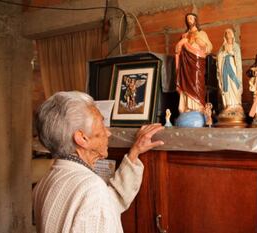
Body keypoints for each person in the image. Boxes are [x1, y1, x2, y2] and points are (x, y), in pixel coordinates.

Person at [33, 91, 164, 233]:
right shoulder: (92, 189)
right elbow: (97, 200)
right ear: (82, 138)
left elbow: (109, 202)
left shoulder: (45, 182)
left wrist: (134, 153)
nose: (108, 133)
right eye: (102, 124)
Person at [175, 13, 212, 113]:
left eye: (191, 18)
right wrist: (181, 42)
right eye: (187, 19)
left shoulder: (202, 33)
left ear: (196, 20)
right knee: (186, 83)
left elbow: (209, 48)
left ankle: (198, 107)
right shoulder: (184, 35)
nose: (189, 20)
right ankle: (187, 107)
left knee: (197, 82)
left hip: (197, 62)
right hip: (186, 63)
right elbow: (177, 50)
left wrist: (201, 43)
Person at [216, 28, 243, 113]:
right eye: (226, 32)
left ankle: (237, 103)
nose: (228, 33)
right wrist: (224, 53)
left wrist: (231, 52)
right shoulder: (222, 47)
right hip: (224, 65)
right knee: (226, 83)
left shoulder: (236, 46)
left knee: (234, 82)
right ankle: (228, 104)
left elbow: (238, 58)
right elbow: (219, 56)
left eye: (229, 32)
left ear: (232, 35)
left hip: (232, 64)